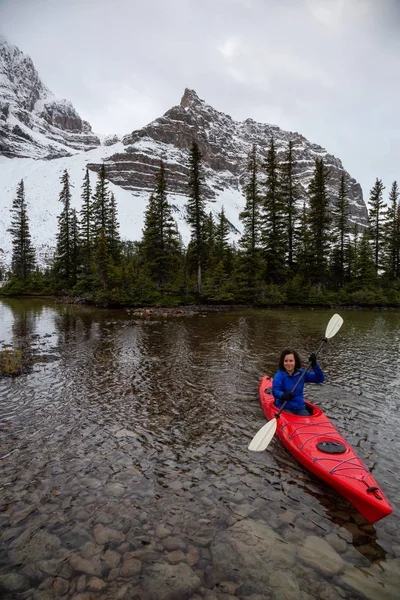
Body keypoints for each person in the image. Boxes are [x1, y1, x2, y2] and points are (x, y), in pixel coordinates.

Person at [272, 348, 325, 416]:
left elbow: (320, 379)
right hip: (284, 407)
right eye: (286, 361)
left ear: (295, 362)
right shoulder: (279, 376)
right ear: (282, 362)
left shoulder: (301, 374)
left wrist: (314, 365)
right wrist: (282, 395)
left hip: (300, 407)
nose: (288, 363)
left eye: (291, 361)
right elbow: (275, 391)